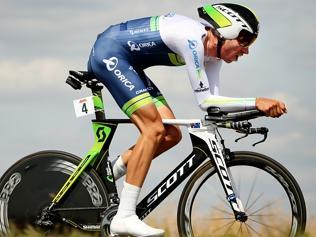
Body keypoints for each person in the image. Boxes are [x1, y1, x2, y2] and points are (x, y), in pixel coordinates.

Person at [87, 3, 287, 236]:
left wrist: (256, 111)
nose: (247, 50)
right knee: (153, 129)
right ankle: (125, 216)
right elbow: (205, 102)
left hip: (129, 63)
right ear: (226, 31)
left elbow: (214, 102)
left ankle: (103, 179)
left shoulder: (214, 57)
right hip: (109, 53)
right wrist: (256, 102)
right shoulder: (192, 39)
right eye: (244, 41)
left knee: (171, 134)